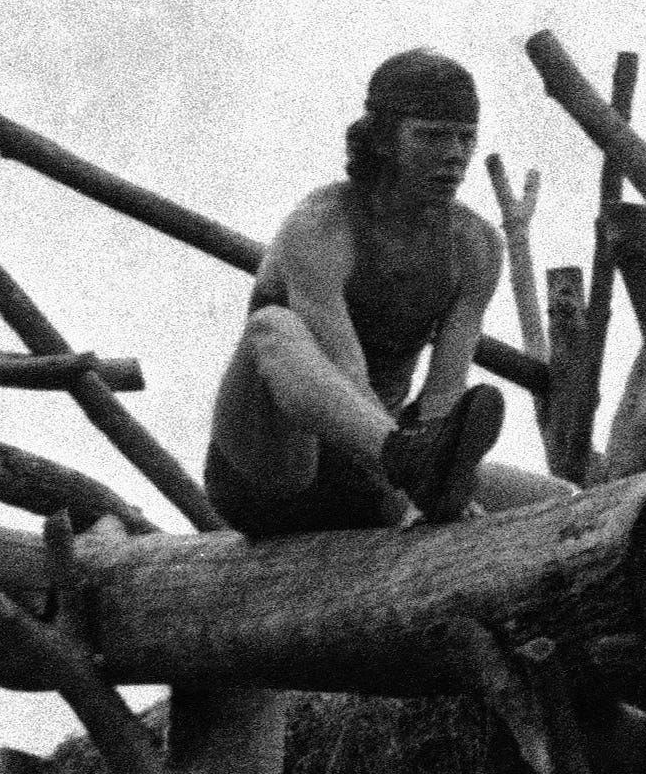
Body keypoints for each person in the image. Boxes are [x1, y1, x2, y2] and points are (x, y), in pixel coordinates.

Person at [207, 49, 511, 539]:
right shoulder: (321, 228)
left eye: (465, 138)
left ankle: (415, 469)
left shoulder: (475, 247)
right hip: (277, 474)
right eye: (432, 136)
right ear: (385, 140)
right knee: (273, 326)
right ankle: (409, 466)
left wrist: (438, 478)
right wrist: (404, 489)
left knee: (560, 502)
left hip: (380, 478)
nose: (455, 155)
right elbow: (346, 371)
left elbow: (442, 398)